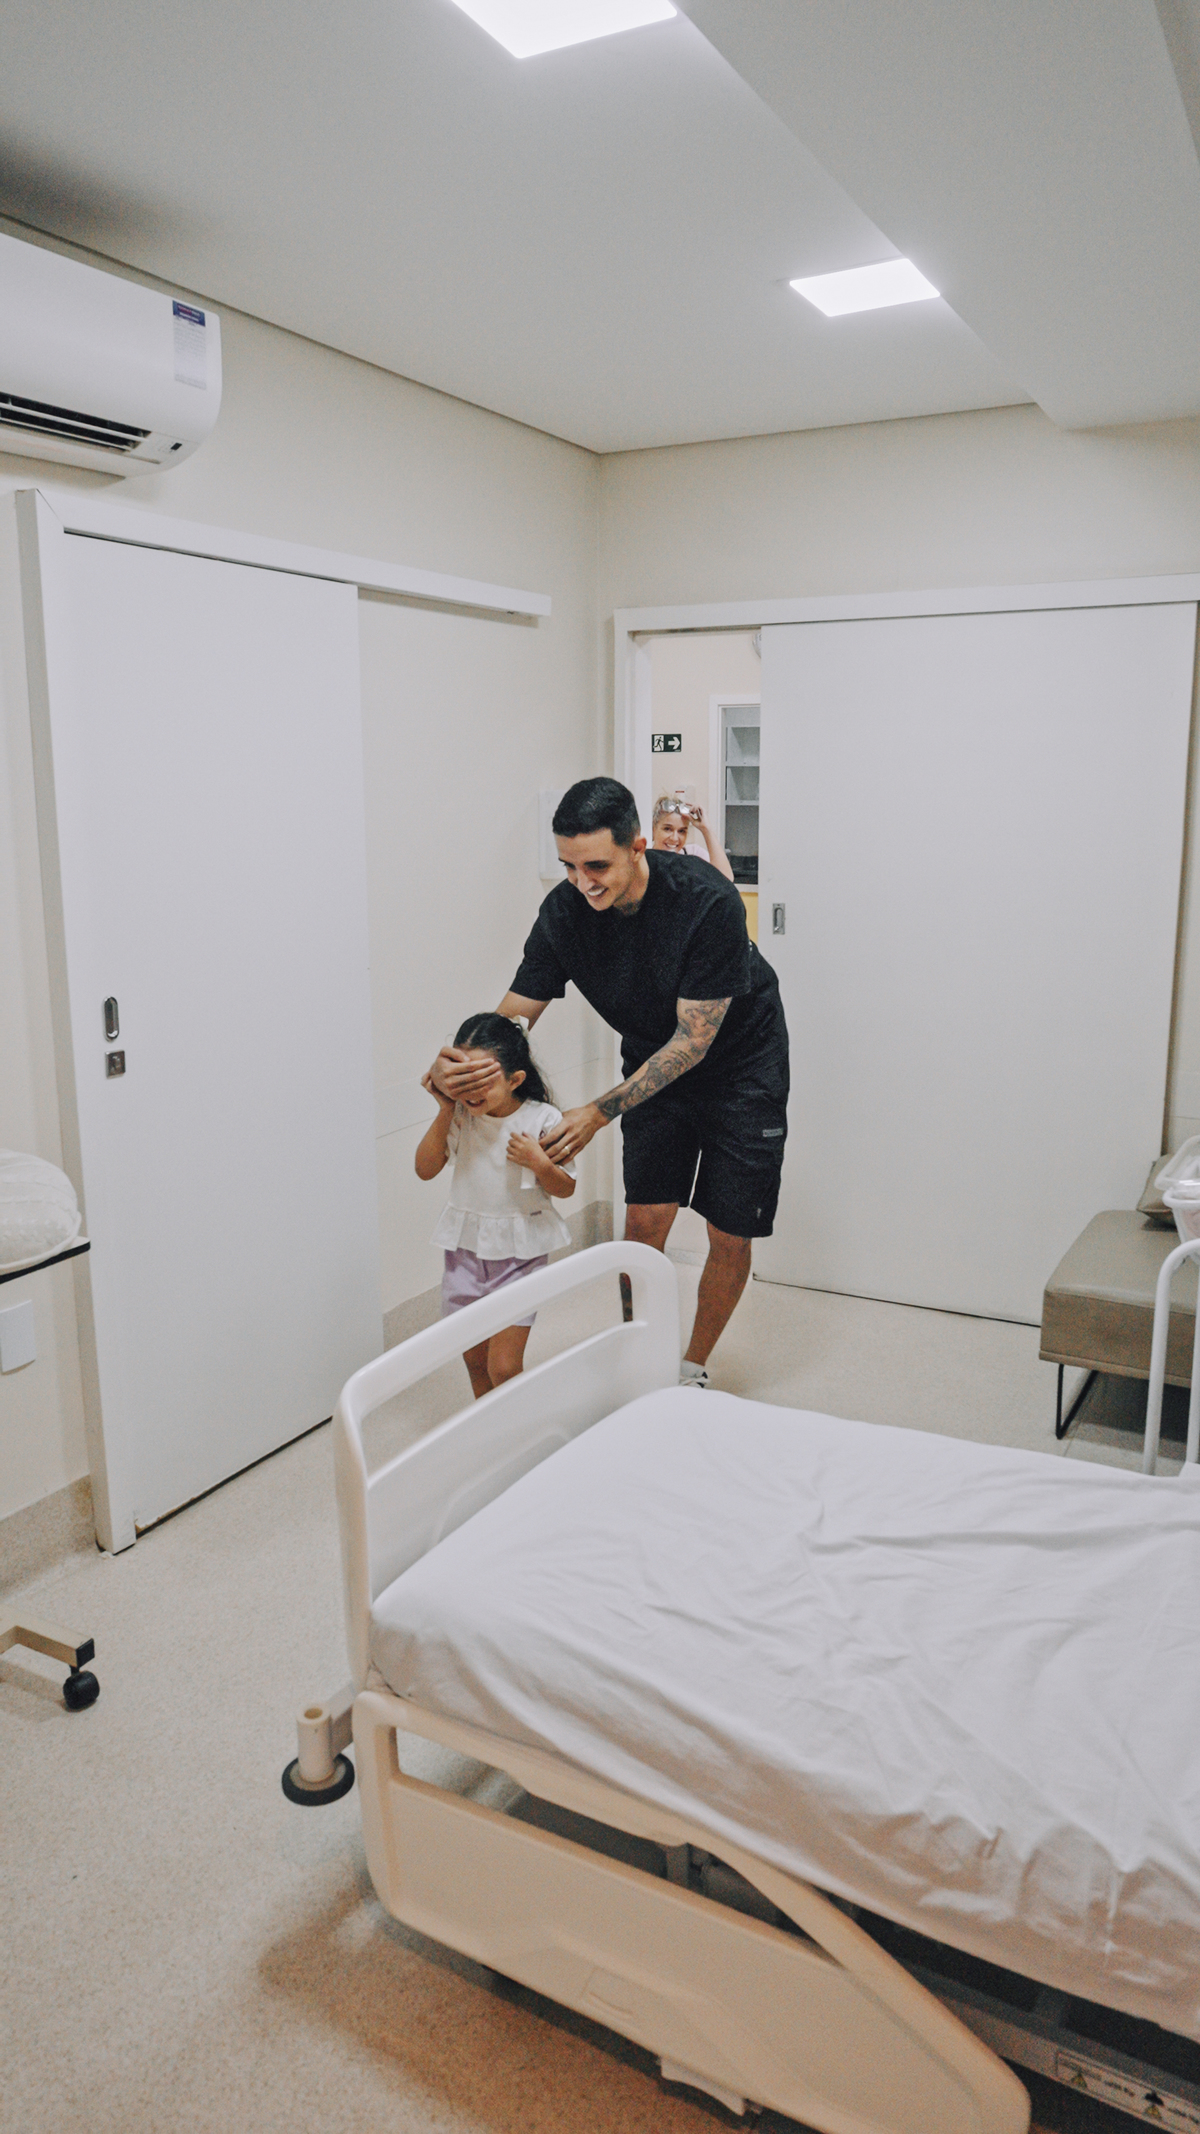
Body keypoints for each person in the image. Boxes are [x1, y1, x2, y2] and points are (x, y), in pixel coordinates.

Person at [430, 778, 788, 1387]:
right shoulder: (564, 913)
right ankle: (642, 1352)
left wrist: (597, 1112)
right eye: (568, 866)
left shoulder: (708, 902)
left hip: (742, 1068)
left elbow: (693, 1041)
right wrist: (460, 1063)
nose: (582, 882)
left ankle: (692, 1367)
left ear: (637, 847)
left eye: (597, 866)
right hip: (653, 1061)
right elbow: (513, 1019)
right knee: (645, 1222)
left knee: (730, 1230)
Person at [416, 1012, 575, 1399]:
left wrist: (539, 1162)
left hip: (520, 1255)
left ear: (515, 1079)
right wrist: (444, 1108)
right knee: (475, 1360)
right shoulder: (461, 1115)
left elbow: (566, 1187)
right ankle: (489, 1427)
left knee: (503, 1367)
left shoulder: (543, 1118)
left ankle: (516, 1427)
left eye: (482, 1081)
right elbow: (424, 1169)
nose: (471, 1092)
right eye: (463, 1080)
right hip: (466, 1253)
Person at [651, 794, 734, 880]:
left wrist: (706, 829)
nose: (674, 838)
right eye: (667, 829)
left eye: (681, 831)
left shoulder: (694, 854)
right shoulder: (644, 861)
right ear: (653, 829)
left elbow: (725, 881)